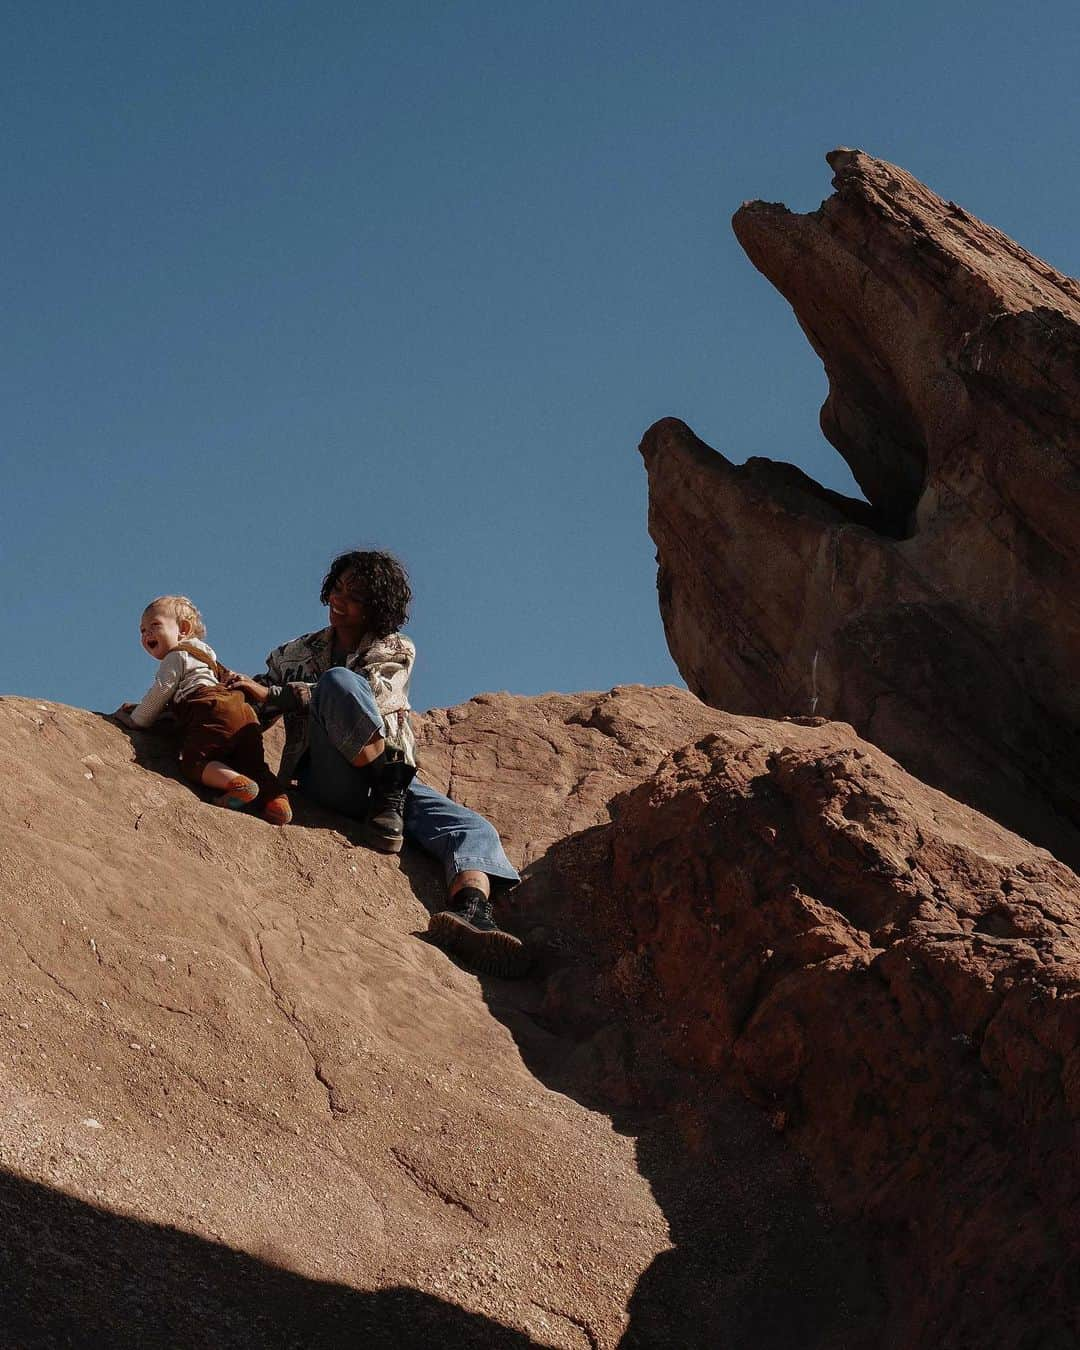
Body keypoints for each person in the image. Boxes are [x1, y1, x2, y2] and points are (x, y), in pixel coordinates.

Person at [225, 550, 526, 976]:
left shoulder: (395, 648)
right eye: (337, 587)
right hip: (330, 776)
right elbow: (255, 705)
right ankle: (388, 793)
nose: (338, 599)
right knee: (334, 681)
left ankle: (471, 914)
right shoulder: (293, 653)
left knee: (474, 828)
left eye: (355, 595)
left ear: (377, 606)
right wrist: (205, 697)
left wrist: (278, 695)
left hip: (391, 782)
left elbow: (375, 695)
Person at [114, 595, 291, 825]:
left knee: (195, 761)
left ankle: (238, 787)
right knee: (253, 764)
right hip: (243, 712)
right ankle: (278, 803)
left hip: (209, 709)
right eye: (142, 630)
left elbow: (161, 690)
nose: (146, 634)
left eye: (154, 626)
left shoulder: (176, 656)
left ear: (183, 629)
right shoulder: (207, 657)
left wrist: (137, 720)